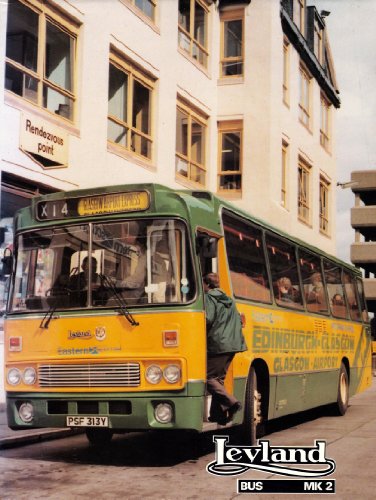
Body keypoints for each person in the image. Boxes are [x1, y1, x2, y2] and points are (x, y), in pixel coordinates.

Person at [204, 272, 247, 425]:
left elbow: (207, 319)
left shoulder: (209, 297)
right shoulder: (229, 299)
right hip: (234, 345)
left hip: (219, 344)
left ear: (207, 284)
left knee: (206, 378)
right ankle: (218, 415)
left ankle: (232, 402)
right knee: (218, 380)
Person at [116, 222, 146, 304]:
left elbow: (137, 279)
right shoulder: (123, 251)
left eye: (121, 232)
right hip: (124, 296)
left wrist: (119, 283)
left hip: (136, 298)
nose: (120, 237)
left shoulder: (139, 252)